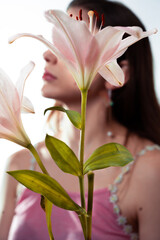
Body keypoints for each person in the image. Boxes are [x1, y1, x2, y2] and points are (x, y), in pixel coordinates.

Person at [0, 0, 160, 239]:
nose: (47, 54)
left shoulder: (150, 169)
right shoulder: (21, 163)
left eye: (73, 44)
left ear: (116, 74)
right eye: (59, 42)